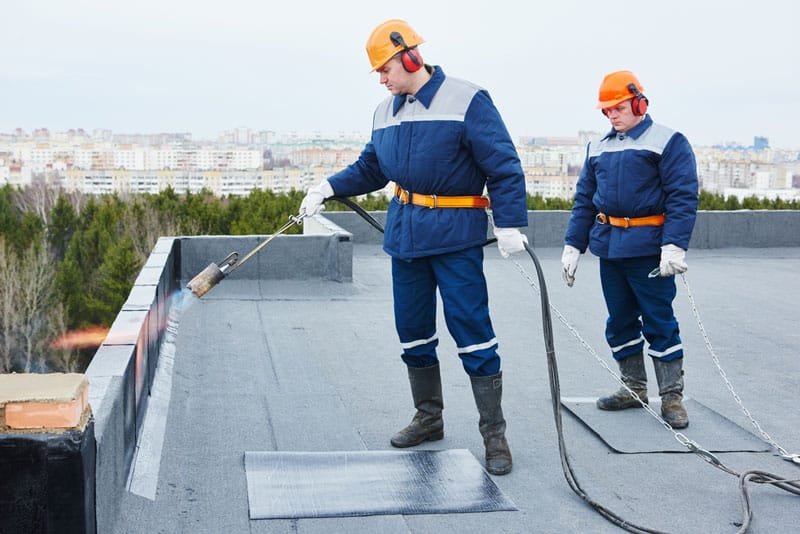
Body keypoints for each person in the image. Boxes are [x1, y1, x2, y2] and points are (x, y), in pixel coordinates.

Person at [300, 19, 528, 475]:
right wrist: (327, 186)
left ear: (410, 57)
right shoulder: (385, 111)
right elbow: (372, 168)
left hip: (455, 236)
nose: (381, 80)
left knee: (473, 332)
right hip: (406, 235)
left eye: (384, 69)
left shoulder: (467, 100)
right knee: (413, 331)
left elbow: (504, 167)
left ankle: (494, 434)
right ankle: (429, 419)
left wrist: (510, 223)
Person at [561, 70, 698, 429]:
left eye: (618, 107)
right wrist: (574, 245)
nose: (612, 115)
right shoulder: (599, 146)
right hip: (611, 248)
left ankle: (671, 398)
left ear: (639, 102)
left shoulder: (668, 141)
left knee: (659, 321)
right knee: (619, 321)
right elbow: (584, 201)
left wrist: (674, 246)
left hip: (650, 250)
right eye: (606, 111)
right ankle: (633, 388)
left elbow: (682, 198)